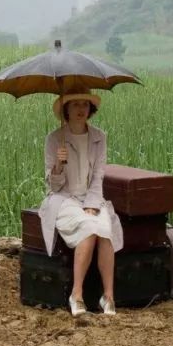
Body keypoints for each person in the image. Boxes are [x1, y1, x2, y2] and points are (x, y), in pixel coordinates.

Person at [39, 88, 124, 316]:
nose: (81, 109)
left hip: (91, 197)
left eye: (85, 104)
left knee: (104, 229)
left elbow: (98, 175)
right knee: (89, 227)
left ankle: (108, 296)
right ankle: (76, 295)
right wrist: (58, 165)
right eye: (75, 104)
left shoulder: (99, 137)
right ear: (66, 109)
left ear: (91, 108)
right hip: (64, 199)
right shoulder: (54, 139)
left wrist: (93, 204)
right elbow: (54, 186)